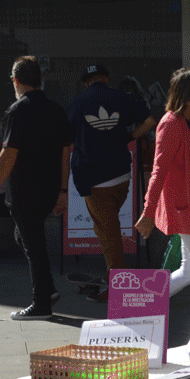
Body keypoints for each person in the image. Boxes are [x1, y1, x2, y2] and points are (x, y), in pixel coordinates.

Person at [0, 56, 73, 320]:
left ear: (16, 81)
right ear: (40, 80)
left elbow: (7, 155)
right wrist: (62, 191)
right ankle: (47, 289)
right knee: (28, 238)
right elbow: (65, 153)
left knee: (33, 244)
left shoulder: (17, 111)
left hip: (24, 190)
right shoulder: (56, 110)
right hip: (49, 188)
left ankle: (41, 302)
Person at [66, 64, 158, 299]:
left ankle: (117, 287)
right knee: (110, 228)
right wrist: (128, 137)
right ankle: (116, 280)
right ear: (107, 79)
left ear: (86, 82)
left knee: (108, 234)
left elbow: (66, 139)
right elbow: (149, 121)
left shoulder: (78, 102)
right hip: (121, 175)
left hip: (95, 178)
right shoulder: (122, 98)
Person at [135, 69, 190, 317]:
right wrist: (148, 212)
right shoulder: (171, 123)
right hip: (188, 209)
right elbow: (158, 171)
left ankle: (141, 305)